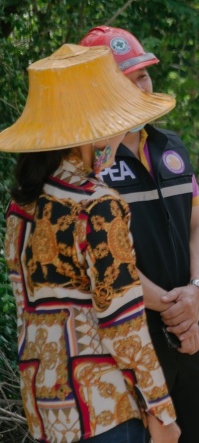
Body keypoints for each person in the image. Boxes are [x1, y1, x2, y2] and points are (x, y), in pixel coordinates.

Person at [1, 44, 181, 442]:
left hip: (46, 411)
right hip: (105, 409)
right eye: (115, 122)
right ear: (90, 132)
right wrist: (161, 411)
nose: (120, 135)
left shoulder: (21, 207)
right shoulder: (98, 206)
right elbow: (123, 322)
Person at [79, 26, 199, 442]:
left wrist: (197, 291)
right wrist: (174, 310)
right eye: (125, 81)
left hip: (186, 319)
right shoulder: (86, 163)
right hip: (124, 333)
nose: (141, 87)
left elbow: (197, 224)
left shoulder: (171, 146)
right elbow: (102, 258)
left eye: (143, 75)